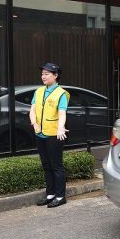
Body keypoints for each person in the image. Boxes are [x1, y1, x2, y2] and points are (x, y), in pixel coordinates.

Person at [29, 63, 70, 208]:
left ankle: (60, 196)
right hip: (40, 133)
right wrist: (34, 124)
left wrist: (60, 128)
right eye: (42, 74)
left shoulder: (61, 93)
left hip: (54, 134)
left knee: (56, 166)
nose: (43, 76)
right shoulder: (39, 91)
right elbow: (32, 109)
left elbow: (62, 113)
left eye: (47, 74)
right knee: (46, 165)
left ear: (55, 76)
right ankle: (50, 194)